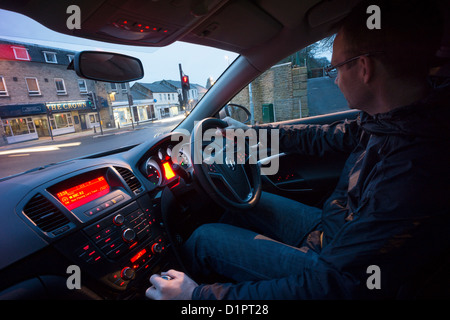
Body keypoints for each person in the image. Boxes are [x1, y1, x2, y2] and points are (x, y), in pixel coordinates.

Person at [146, 0, 449, 299]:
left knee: (203, 239)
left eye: (336, 68)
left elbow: (338, 286)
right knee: (239, 207)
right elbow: (322, 137)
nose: (336, 79)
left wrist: (198, 296)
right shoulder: (391, 120)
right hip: (332, 232)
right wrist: (250, 135)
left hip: (334, 267)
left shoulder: (414, 173)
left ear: (364, 68)